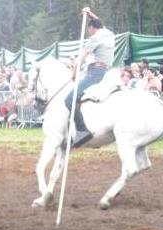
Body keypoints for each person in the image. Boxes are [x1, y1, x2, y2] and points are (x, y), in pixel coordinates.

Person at [64, 7, 115, 148]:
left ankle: (82, 131)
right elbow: (100, 22)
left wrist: (73, 73)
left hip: (95, 72)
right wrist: (90, 13)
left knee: (69, 100)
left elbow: (81, 58)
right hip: (105, 71)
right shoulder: (108, 34)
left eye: (89, 29)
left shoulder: (95, 38)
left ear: (92, 28)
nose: (88, 32)